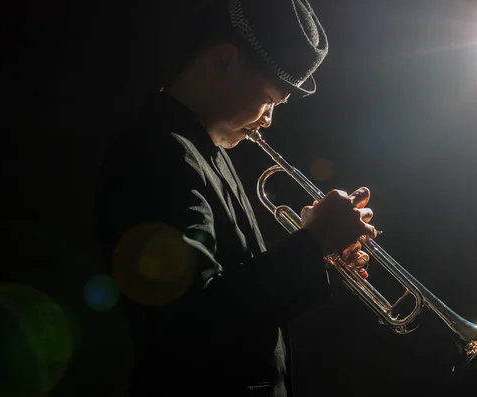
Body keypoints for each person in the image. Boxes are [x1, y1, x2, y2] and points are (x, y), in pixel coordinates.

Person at [93, 0, 378, 395]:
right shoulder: (156, 153)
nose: (268, 119)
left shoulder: (201, 151)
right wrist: (310, 245)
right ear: (225, 61)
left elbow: (234, 288)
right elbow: (191, 322)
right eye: (271, 100)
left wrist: (318, 251)